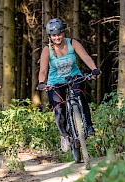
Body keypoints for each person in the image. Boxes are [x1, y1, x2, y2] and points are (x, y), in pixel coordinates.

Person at [37, 18, 101, 152]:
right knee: (59, 109)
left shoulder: (72, 43)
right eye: (54, 35)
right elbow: (43, 70)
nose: (57, 37)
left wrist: (94, 69)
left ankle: (88, 126)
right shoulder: (47, 50)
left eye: (59, 34)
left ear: (63, 33)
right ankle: (65, 135)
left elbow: (86, 57)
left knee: (80, 96)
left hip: (74, 76)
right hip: (55, 82)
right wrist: (42, 83)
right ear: (50, 36)